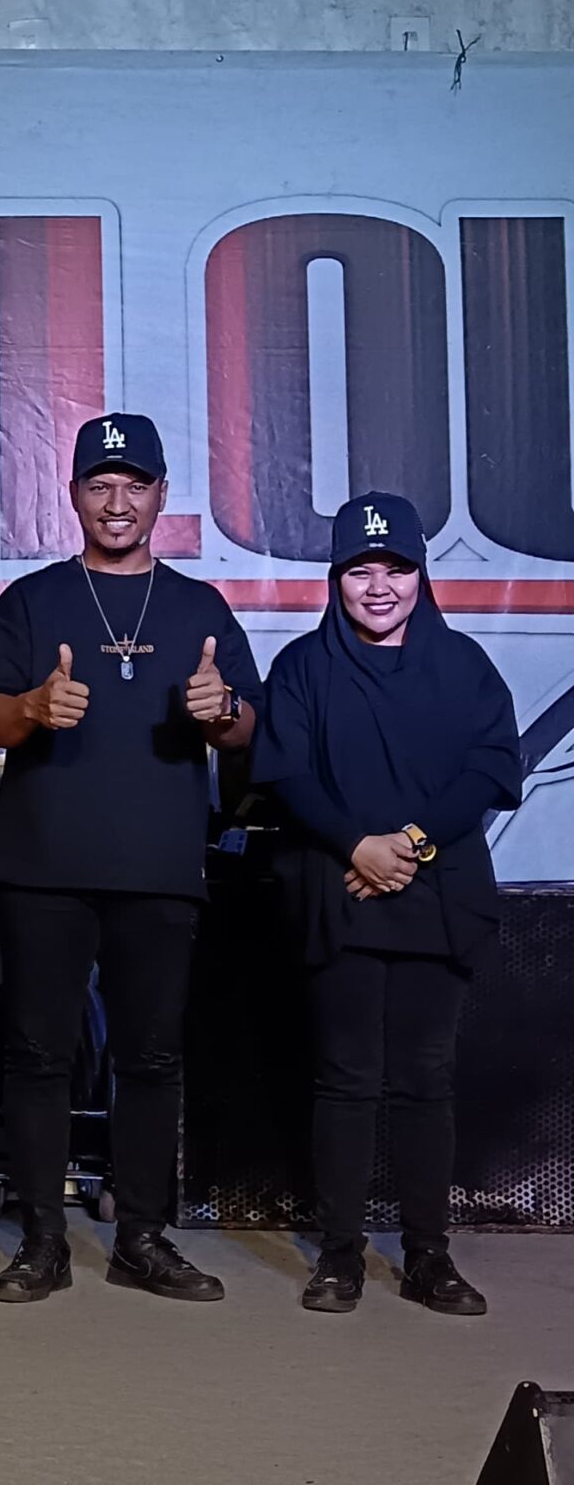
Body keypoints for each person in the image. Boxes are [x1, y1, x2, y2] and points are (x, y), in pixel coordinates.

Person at [0, 411, 259, 1304]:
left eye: (135, 485)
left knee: (152, 1059)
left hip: (158, 869)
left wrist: (221, 711)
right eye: (101, 484)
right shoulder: (31, 601)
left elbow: (246, 724)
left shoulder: (200, 608)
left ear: (163, 495)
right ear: (73, 496)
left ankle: (142, 1236)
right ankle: (43, 1240)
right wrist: (33, 707)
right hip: (44, 868)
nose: (118, 502)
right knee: (37, 1055)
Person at [254, 493, 519, 1317]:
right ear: (335, 578)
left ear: (420, 575)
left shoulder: (465, 664)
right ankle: (339, 1255)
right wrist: (357, 847)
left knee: (425, 1079)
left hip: (436, 896)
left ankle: (429, 1256)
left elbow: (490, 768)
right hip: (340, 893)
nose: (379, 587)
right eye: (360, 570)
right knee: (345, 1078)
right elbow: (287, 774)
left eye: (396, 569)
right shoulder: (302, 667)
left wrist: (407, 843)